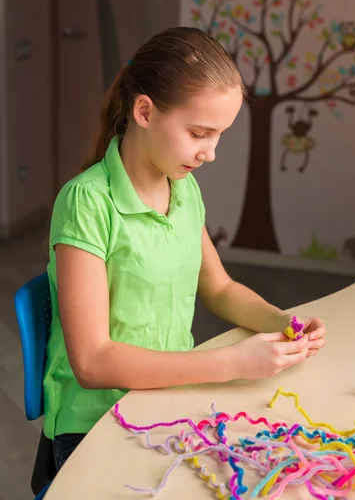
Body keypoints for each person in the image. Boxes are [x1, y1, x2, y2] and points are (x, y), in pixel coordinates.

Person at [43, 27, 326, 471]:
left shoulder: (184, 189)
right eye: (199, 133)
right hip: (95, 424)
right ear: (144, 111)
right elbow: (93, 363)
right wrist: (231, 362)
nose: (210, 153)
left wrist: (285, 324)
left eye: (219, 136)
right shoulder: (87, 202)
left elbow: (219, 289)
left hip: (166, 399)